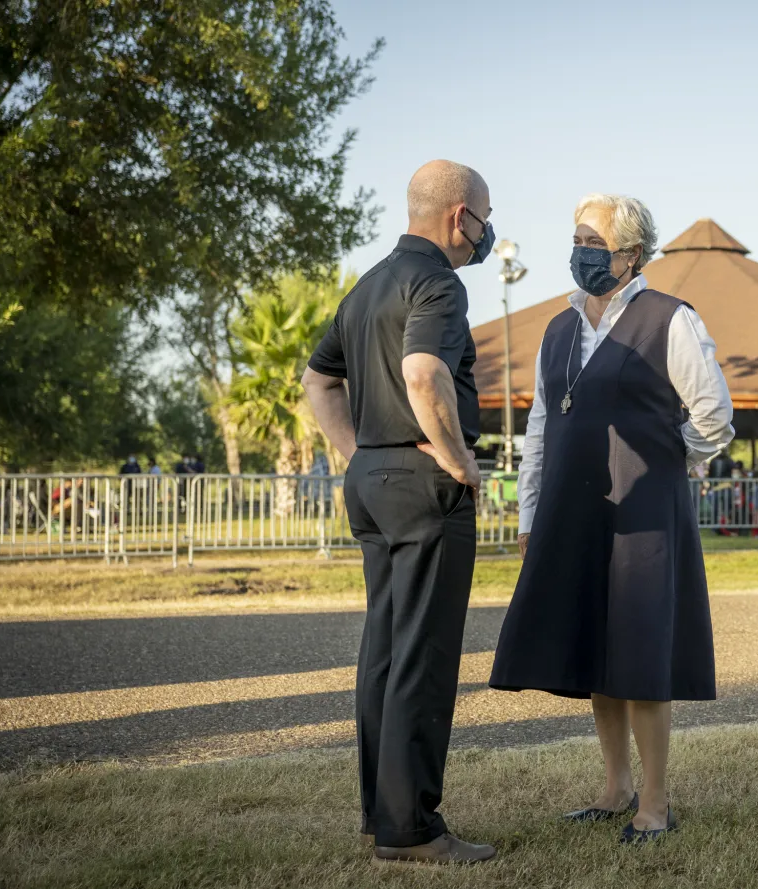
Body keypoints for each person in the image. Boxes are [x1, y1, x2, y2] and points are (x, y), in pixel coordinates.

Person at [489, 193, 734, 844]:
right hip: (572, 513)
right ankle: (614, 786)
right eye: (576, 237)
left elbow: (714, 415)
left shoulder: (670, 319)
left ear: (628, 253)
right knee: (597, 648)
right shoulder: (556, 328)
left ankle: (654, 802)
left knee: (641, 651)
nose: (579, 250)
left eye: (592, 240)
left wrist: (668, 459)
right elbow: (539, 429)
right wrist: (528, 515)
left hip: (647, 515)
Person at [302, 160, 495, 865]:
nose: (485, 232)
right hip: (422, 483)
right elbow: (422, 371)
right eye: (484, 216)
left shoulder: (366, 286)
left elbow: (318, 377)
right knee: (425, 651)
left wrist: (359, 449)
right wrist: (456, 457)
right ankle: (411, 828)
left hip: (372, 479)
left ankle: (379, 813)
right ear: (458, 217)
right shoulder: (437, 282)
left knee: (384, 646)